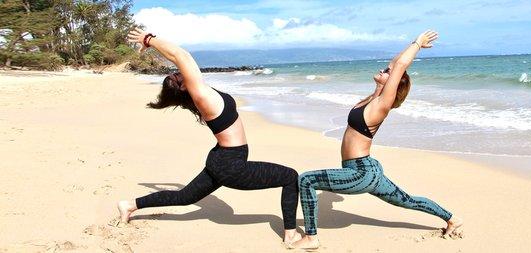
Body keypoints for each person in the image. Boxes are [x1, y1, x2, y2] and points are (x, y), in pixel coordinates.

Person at [117, 28, 302, 244]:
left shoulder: (203, 94)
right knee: (290, 177)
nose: (181, 72)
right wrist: (149, 40)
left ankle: (130, 205)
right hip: (231, 165)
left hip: (221, 159)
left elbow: (181, 60)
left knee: (184, 197)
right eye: (178, 76)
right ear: (184, 88)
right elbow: (181, 56)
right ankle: (290, 234)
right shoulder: (201, 96)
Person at [291, 30, 463, 249]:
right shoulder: (371, 98)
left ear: (394, 81)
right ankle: (452, 219)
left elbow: (399, 66)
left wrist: (417, 43)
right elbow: (395, 63)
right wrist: (397, 63)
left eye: (388, 72)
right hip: (368, 169)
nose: (384, 69)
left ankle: (311, 237)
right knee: (408, 200)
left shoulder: (381, 105)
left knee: (306, 180)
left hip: (360, 172)